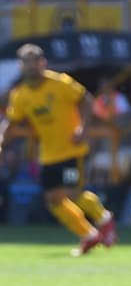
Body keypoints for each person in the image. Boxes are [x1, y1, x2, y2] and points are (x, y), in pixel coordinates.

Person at [0, 44, 119, 256]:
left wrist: (83, 127)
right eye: (25, 63)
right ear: (20, 66)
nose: (30, 68)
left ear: (42, 63)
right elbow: (11, 122)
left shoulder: (60, 83)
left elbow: (86, 100)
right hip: (48, 154)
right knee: (53, 201)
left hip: (72, 151)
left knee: (74, 193)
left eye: (33, 63)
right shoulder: (20, 95)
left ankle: (104, 219)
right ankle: (89, 235)